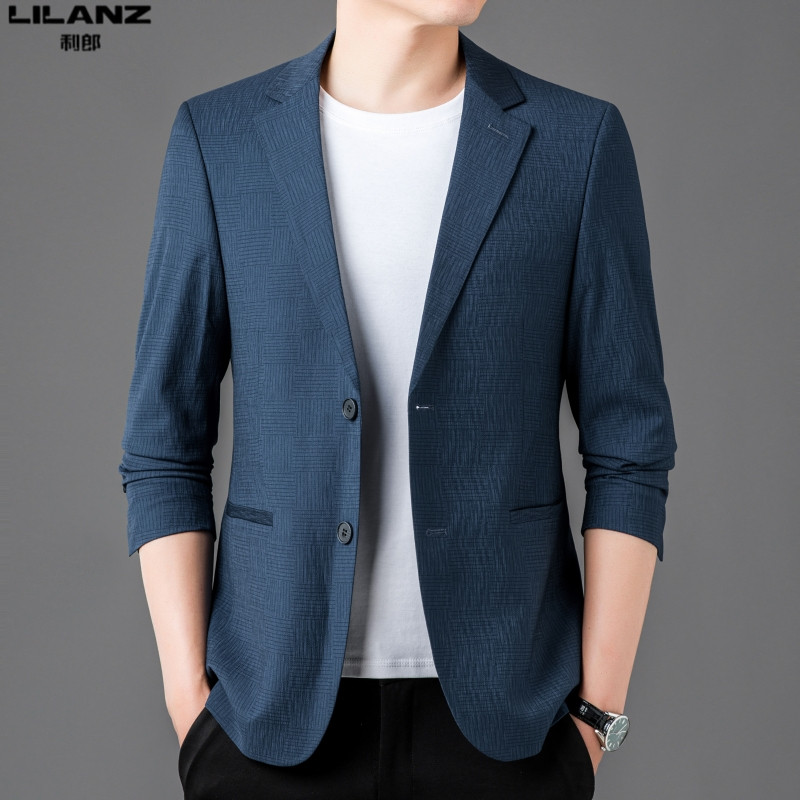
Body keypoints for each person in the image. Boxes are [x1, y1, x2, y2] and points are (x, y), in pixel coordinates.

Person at [118, 2, 677, 798]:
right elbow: (163, 442)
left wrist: (596, 717)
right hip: (267, 727)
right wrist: (189, 705)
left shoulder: (575, 142)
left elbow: (631, 444)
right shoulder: (220, 140)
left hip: (509, 730)